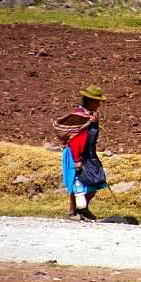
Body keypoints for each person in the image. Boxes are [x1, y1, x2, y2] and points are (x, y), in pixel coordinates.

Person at [53, 85, 107, 221]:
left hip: (88, 153)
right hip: (75, 153)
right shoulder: (80, 117)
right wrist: (77, 160)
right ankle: (72, 212)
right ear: (89, 101)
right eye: (96, 101)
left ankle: (83, 209)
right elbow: (76, 141)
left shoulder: (92, 117)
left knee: (96, 180)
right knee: (77, 181)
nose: (99, 104)